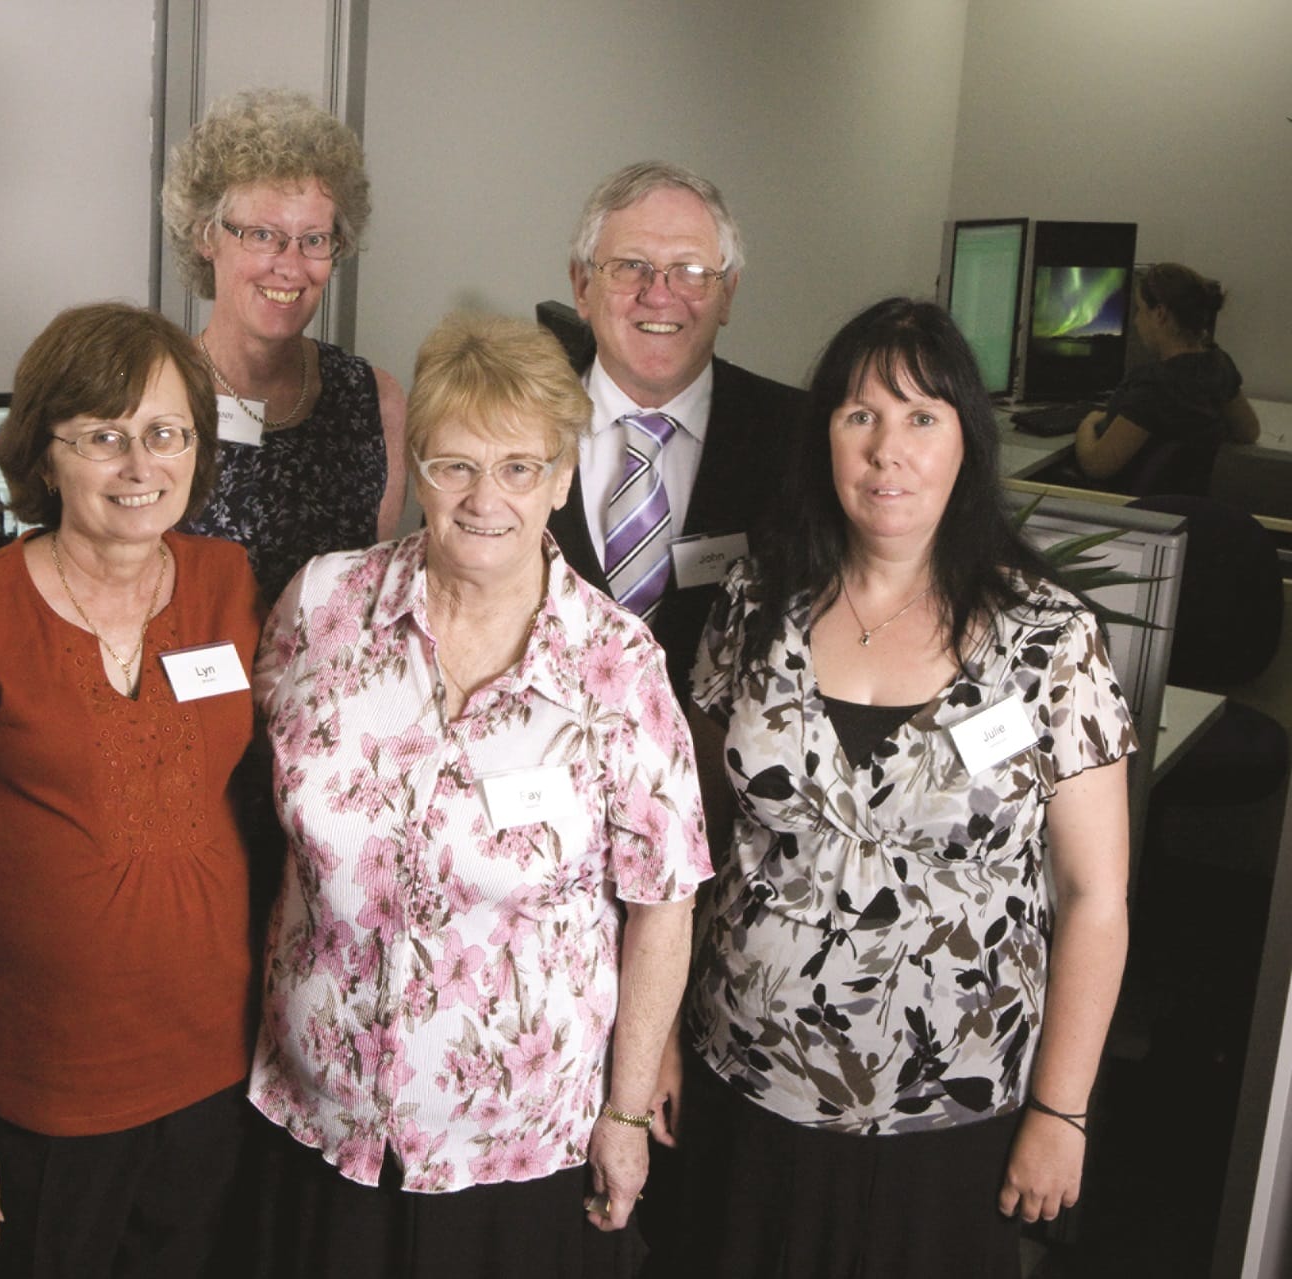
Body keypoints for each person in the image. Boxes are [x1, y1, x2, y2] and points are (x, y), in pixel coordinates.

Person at [680, 298, 1135, 1277]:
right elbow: (694, 839)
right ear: (826, 440)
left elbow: (1097, 898)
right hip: (745, 1084)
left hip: (950, 1112)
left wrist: (1062, 1110)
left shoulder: (1050, 641)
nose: (889, 449)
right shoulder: (756, 600)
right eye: (860, 416)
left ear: (967, 441)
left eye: (922, 417)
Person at [250, 312, 711, 1279]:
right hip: (321, 1114)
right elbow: (261, 805)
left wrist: (626, 1112)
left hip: (518, 1142)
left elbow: (664, 904)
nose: (484, 497)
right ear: (415, 470)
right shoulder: (323, 607)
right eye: (454, 464)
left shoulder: (618, 666)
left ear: (563, 477)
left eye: (518, 466)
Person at [0, 302, 263, 1277]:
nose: (141, 466)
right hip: (41, 1094)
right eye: (104, 436)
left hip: (212, 1072)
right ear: (44, 455)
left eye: (166, 433)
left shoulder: (228, 582)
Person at [547, 160, 808, 700]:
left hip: (727, 778)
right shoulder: (514, 430)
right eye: (630, 266)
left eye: (690, 271)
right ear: (580, 285)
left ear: (728, 293)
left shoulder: (802, 439)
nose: (659, 294)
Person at [163, 86, 408, 601]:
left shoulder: (375, 403)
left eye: (314, 240)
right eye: (262, 235)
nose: (291, 265)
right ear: (206, 236)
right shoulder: (150, 396)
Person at [1073, 262, 1259, 495]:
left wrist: (1087, 424)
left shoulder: (1154, 387)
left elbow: (1097, 465)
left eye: (1140, 310)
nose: (1136, 321)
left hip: (1126, 511)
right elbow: (1248, 432)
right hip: (1180, 509)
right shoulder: (1219, 364)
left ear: (1160, 314)